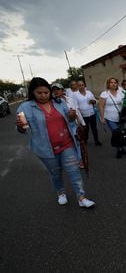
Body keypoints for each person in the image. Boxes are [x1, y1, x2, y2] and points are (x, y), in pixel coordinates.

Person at [16, 77, 95, 208]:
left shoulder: (58, 103)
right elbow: (23, 130)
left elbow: (69, 121)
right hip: (45, 149)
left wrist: (71, 116)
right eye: (39, 93)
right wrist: (19, 126)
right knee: (55, 173)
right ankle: (61, 192)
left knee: (74, 171)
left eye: (46, 92)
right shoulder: (25, 107)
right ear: (32, 93)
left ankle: (81, 197)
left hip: (67, 144)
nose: (43, 95)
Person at [98, 77, 126, 158]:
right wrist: (102, 118)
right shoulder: (104, 94)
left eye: (115, 82)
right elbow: (101, 106)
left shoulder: (121, 92)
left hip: (121, 117)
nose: (113, 84)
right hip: (110, 118)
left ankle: (122, 148)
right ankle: (118, 150)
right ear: (108, 84)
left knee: (121, 133)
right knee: (116, 133)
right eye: (111, 82)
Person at [72, 80, 102, 146]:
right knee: (86, 129)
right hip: (83, 115)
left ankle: (96, 141)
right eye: (79, 85)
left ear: (84, 85)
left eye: (82, 85)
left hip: (92, 113)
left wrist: (93, 101)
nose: (81, 86)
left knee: (94, 128)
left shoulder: (89, 92)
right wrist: (78, 117)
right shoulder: (75, 95)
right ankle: (85, 140)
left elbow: (95, 101)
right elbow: (76, 106)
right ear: (77, 86)